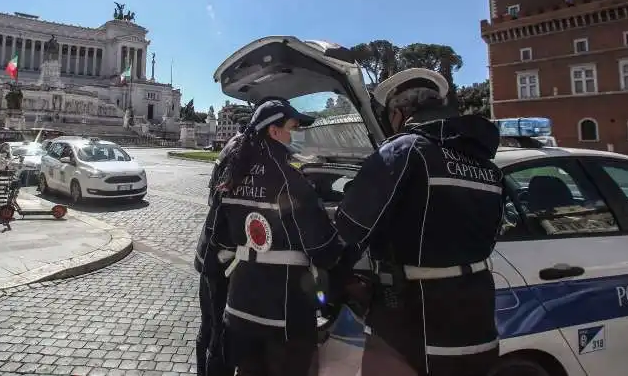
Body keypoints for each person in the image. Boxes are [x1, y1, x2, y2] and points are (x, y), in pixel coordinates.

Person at [334, 68, 505, 376]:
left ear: (401, 111)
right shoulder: (488, 168)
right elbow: (488, 238)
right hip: (477, 321)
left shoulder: (406, 149)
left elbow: (349, 230)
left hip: (413, 322)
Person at [210, 99, 349, 376]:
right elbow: (324, 250)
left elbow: (220, 241)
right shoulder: (292, 180)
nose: (295, 135)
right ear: (274, 131)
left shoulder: (232, 176)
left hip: (239, 309)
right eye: (293, 127)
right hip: (284, 315)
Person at [194, 96, 291, 376]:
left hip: (215, 254)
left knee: (213, 326)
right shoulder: (244, 150)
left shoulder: (239, 145)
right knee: (219, 331)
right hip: (221, 258)